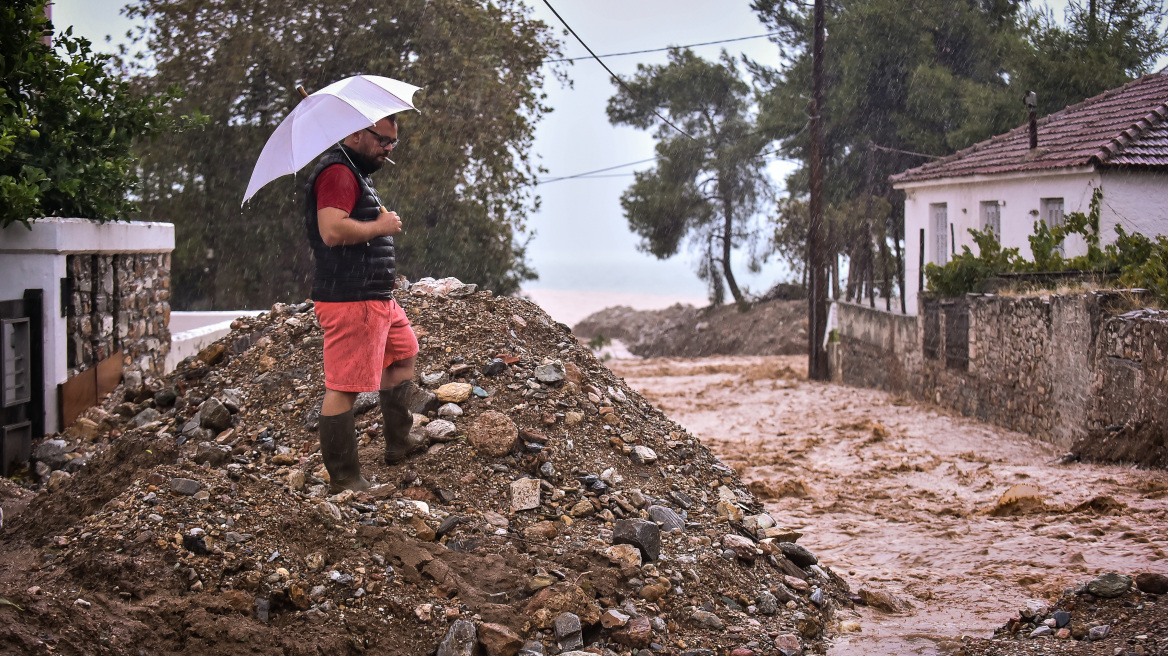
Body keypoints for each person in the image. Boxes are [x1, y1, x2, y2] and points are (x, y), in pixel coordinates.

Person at [304, 114, 420, 493]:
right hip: (350, 298)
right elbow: (332, 230)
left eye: (393, 144)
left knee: (403, 354)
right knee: (344, 387)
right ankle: (346, 479)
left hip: (375, 295)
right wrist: (380, 227)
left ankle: (398, 443)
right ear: (355, 133)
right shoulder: (337, 172)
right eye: (384, 141)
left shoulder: (355, 173)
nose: (388, 149)